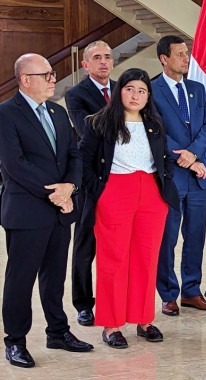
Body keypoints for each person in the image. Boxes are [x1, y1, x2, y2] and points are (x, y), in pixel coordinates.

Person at [0, 53, 93, 368]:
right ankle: (15, 341)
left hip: (60, 210)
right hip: (26, 212)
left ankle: (58, 331)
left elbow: (74, 155)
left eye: (53, 74)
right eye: (47, 74)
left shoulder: (57, 111)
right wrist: (55, 193)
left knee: (54, 278)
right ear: (25, 79)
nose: (54, 79)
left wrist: (70, 187)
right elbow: (15, 165)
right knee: (20, 280)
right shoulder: (6, 114)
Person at [79, 68, 179, 349]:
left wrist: (165, 183)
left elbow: (165, 157)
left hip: (151, 194)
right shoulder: (99, 122)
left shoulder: (155, 123)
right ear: (119, 90)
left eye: (142, 91)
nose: (135, 96)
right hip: (114, 193)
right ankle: (111, 324)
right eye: (130, 89)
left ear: (149, 96)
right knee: (114, 259)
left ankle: (143, 319)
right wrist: (99, 192)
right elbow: (83, 160)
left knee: (146, 259)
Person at [152, 35, 206, 316]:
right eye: (179, 54)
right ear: (164, 58)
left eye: (186, 54)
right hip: (170, 177)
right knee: (167, 238)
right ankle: (168, 294)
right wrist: (185, 159)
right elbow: (154, 132)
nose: (186, 58)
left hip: (197, 179)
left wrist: (193, 154)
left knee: (196, 235)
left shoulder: (197, 89)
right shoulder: (151, 91)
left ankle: (192, 290)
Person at [64, 40, 116, 326]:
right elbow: (87, 131)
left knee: (118, 247)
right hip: (92, 180)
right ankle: (84, 304)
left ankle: (115, 299)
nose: (104, 62)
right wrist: (123, 119)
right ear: (85, 64)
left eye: (108, 56)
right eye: (97, 58)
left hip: (122, 178)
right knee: (85, 246)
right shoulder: (76, 94)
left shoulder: (123, 88)